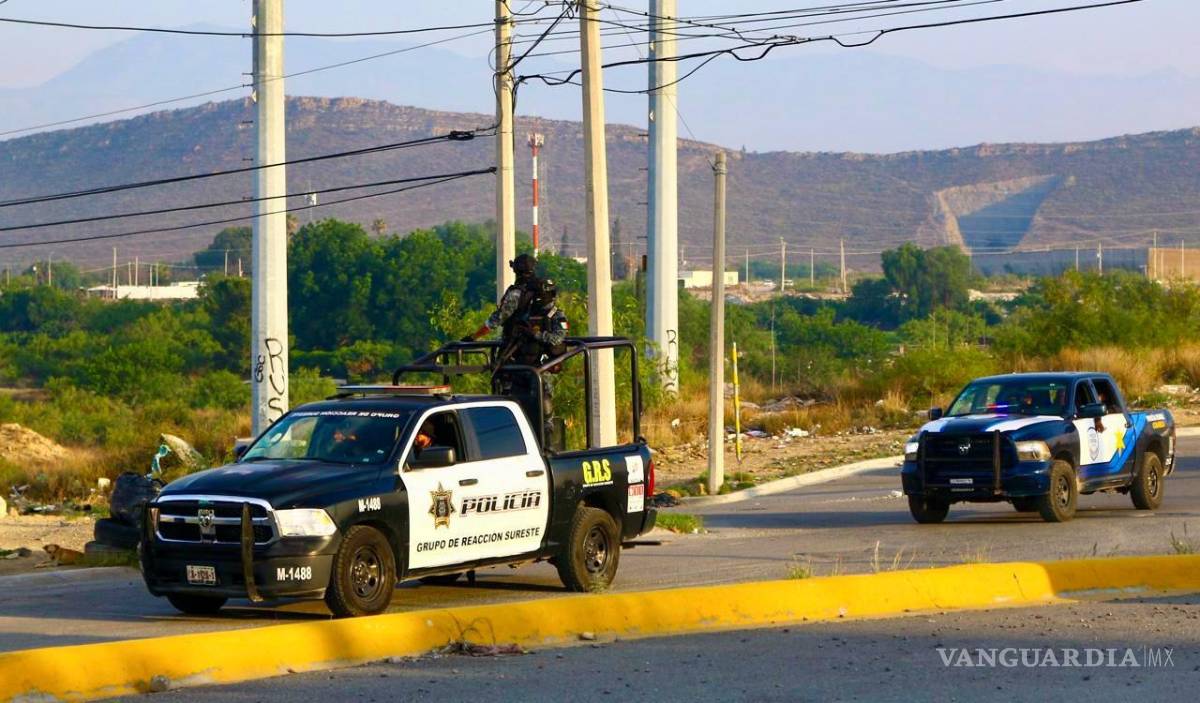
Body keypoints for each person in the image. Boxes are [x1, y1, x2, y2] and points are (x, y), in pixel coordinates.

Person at [461, 254, 540, 346]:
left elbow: (497, 319)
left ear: (517, 271)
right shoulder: (544, 289)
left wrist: (473, 337)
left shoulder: (516, 294)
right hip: (541, 349)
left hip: (518, 348)